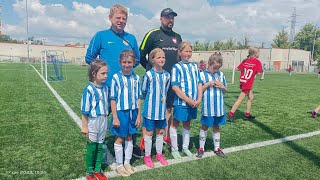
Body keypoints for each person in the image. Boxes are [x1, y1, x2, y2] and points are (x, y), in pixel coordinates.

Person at [138, 8, 182, 153]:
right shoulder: (153, 34)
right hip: (155, 81)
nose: (170, 20)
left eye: (172, 18)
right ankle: (146, 139)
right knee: (151, 109)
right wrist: (149, 69)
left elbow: (180, 58)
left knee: (168, 108)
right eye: (168, 17)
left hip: (171, 80)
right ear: (161, 18)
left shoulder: (177, 37)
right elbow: (141, 54)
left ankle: (164, 136)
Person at [85, 4, 140, 88]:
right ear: (110, 18)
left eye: (124, 18)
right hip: (106, 86)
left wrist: (126, 70)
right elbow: (89, 58)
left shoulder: (131, 38)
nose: (121, 20)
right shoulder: (100, 35)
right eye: (118, 18)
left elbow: (136, 59)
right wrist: (102, 73)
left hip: (126, 86)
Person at [109, 50, 142, 177]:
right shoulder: (116, 78)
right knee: (119, 138)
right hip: (120, 112)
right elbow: (113, 98)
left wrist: (138, 115)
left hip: (132, 112)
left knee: (129, 137)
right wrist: (115, 117)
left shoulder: (136, 78)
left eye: (129, 62)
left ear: (134, 62)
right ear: (120, 62)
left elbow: (138, 97)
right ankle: (119, 164)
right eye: (124, 62)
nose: (127, 65)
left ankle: (127, 162)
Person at [170, 41, 202, 159]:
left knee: (188, 123)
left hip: (193, 102)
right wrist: (188, 99)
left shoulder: (194, 66)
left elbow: (199, 83)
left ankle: (185, 147)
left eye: (190, 51)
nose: (188, 53)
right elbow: (175, 86)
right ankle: (174, 149)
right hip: (181, 102)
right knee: (176, 123)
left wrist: (199, 98)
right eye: (186, 51)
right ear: (180, 52)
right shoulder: (176, 67)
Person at [141, 48, 170, 168]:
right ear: (152, 59)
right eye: (159, 57)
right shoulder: (148, 75)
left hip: (161, 111)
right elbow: (143, 91)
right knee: (148, 133)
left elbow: (166, 91)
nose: (162, 59)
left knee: (160, 132)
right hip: (150, 110)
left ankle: (159, 154)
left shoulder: (167, 75)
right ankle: (147, 156)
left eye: (163, 57)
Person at [81, 60, 109, 180]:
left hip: (103, 120)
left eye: (106, 73)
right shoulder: (89, 89)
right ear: (94, 73)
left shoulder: (106, 88)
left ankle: (98, 168)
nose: (106, 76)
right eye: (103, 73)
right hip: (93, 121)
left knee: (100, 146)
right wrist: (85, 126)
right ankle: (89, 171)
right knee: (92, 146)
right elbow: (84, 110)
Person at [196, 52, 227, 159]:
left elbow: (224, 91)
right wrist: (208, 84)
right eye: (214, 67)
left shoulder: (221, 75)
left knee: (216, 127)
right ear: (209, 63)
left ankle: (217, 148)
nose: (215, 70)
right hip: (208, 108)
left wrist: (222, 86)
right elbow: (199, 90)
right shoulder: (201, 74)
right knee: (204, 126)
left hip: (219, 108)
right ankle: (201, 148)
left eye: (218, 68)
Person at [227, 47, 262, 122]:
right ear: (255, 54)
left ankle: (247, 115)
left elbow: (238, 68)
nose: (259, 54)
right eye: (258, 53)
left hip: (243, 81)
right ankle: (230, 113)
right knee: (240, 99)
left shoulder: (246, 60)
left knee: (251, 97)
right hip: (248, 83)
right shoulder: (257, 62)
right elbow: (259, 73)